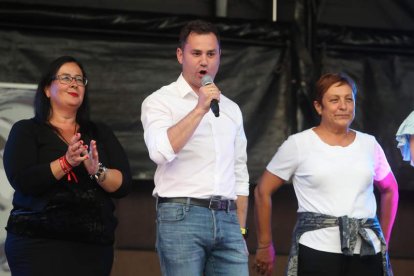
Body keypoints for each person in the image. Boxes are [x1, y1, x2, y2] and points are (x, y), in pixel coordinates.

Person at [254, 73, 398, 276]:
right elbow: (263, 191)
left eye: (349, 99)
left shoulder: (369, 144)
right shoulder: (299, 144)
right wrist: (264, 244)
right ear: (318, 106)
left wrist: (383, 239)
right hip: (317, 250)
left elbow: (390, 189)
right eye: (334, 100)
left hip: (367, 251)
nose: (343, 106)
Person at [3, 55, 132, 276]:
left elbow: (123, 185)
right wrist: (66, 162)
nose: (74, 83)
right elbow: (23, 180)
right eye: (65, 78)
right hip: (38, 244)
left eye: (79, 79)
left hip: (92, 248)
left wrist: (97, 171)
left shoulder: (99, 132)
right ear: (46, 89)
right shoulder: (27, 130)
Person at [141, 20, 250, 275]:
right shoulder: (160, 101)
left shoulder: (231, 109)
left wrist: (241, 229)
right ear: (181, 55)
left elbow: (239, 173)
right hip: (182, 215)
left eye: (211, 54)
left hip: (228, 219)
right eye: (196, 53)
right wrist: (200, 108)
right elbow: (159, 152)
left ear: (220, 56)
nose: (204, 61)